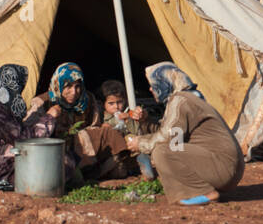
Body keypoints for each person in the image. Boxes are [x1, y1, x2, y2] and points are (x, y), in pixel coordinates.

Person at [126, 63, 243, 206]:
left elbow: (168, 138)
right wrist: (146, 121)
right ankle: (201, 190)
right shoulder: (188, 98)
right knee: (166, 149)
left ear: (165, 82)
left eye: (153, 84)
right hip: (227, 168)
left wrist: (140, 143)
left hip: (223, 167)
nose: (150, 88)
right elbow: (176, 134)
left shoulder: (180, 100)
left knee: (162, 152)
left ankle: (204, 193)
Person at [0, 63, 55, 191]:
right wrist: (50, 117)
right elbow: (25, 140)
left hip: (3, 163)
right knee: (58, 165)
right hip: (1, 172)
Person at [74, 80, 157, 181]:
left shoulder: (129, 112)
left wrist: (128, 120)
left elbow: (136, 130)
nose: (116, 107)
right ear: (102, 104)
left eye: (119, 102)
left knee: (133, 141)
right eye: (111, 103)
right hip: (113, 151)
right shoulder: (101, 116)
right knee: (118, 170)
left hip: (130, 147)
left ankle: (144, 165)